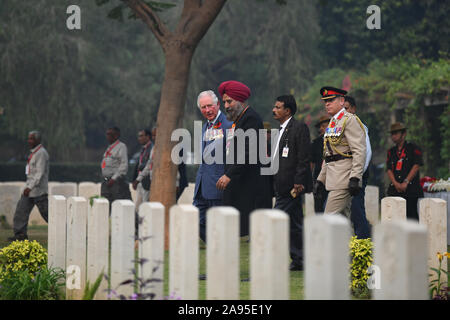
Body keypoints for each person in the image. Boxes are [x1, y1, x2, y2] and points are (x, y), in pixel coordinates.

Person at [216, 80, 264, 238]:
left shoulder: (251, 119)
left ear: (241, 100)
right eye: (224, 102)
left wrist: (229, 174)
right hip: (237, 180)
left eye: (229, 101)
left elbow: (249, 152)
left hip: (247, 182)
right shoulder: (237, 121)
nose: (226, 106)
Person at [272, 95, 312, 271]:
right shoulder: (280, 130)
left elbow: (303, 158)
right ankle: (300, 259)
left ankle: (266, 260)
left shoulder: (299, 128)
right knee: (295, 224)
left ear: (287, 111)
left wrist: (298, 181)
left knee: (272, 220)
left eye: (278, 107)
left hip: (292, 187)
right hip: (280, 184)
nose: (274, 110)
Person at [314, 87, 366, 218]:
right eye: (325, 101)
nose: (327, 104)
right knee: (342, 222)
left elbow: (359, 151)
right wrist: (320, 180)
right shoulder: (333, 122)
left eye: (331, 100)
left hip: (344, 178)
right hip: (333, 178)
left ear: (342, 101)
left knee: (329, 219)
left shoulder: (349, 120)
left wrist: (355, 177)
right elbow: (329, 155)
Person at [193, 90, 233, 243]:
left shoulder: (228, 124)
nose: (207, 110)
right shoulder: (205, 127)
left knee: (220, 225)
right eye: (203, 107)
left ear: (217, 104)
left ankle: (220, 249)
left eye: (210, 106)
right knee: (195, 219)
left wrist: (228, 176)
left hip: (219, 186)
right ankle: (216, 246)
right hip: (202, 186)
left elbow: (235, 156)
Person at [8, 131, 49, 241]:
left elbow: (39, 173)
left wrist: (30, 187)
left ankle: (65, 229)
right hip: (29, 191)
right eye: (29, 138)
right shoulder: (34, 153)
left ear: (38, 140)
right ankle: (20, 235)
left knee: (48, 214)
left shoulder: (41, 153)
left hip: (38, 191)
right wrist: (28, 188)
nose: (29, 141)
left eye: (31, 139)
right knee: (21, 212)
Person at [344, 96, 372, 239]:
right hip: (344, 175)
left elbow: (365, 153)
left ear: (354, 109)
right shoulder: (343, 125)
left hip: (356, 175)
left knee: (356, 209)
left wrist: (357, 175)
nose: (344, 112)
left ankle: (363, 243)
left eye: (347, 108)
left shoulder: (359, 126)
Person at [134, 127, 187, 201]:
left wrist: (176, 184)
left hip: (172, 183)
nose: (153, 138)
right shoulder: (154, 148)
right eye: (152, 136)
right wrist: (138, 179)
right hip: (157, 182)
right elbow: (149, 165)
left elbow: (174, 168)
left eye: (155, 135)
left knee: (169, 204)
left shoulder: (170, 147)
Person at [386, 122, 424, 220]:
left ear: (404, 134)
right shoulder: (391, 151)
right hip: (395, 189)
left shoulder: (413, 148)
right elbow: (389, 169)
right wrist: (396, 184)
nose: (393, 136)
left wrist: (406, 182)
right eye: (392, 134)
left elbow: (416, 165)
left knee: (411, 217)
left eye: (396, 133)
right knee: (394, 217)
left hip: (410, 189)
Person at [101, 127, 132, 209]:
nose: (107, 136)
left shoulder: (121, 146)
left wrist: (114, 178)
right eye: (107, 134)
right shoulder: (110, 147)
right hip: (106, 180)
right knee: (106, 203)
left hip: (116, 181)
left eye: (110, 134)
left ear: (116, 136)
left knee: (118, 204)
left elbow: (124, 165)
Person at [310, 115, 330, 213]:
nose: (321, 129)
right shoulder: (315, 143)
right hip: (318, 177)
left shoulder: (337, 141)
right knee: (318, 204)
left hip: (333, 176)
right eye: (320, 127)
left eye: (324, 126)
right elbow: (311, 163)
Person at [132, 129, 153, 209]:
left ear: (147, 137)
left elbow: (148, 165)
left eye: (141, 136)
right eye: (139, 136)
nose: (139, 138)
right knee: (138, 206)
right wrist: (135, 179)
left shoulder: (151, 148)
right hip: (140, 181)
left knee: (145, 206)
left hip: (146, 181)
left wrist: (141, 167)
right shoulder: (143, 149)